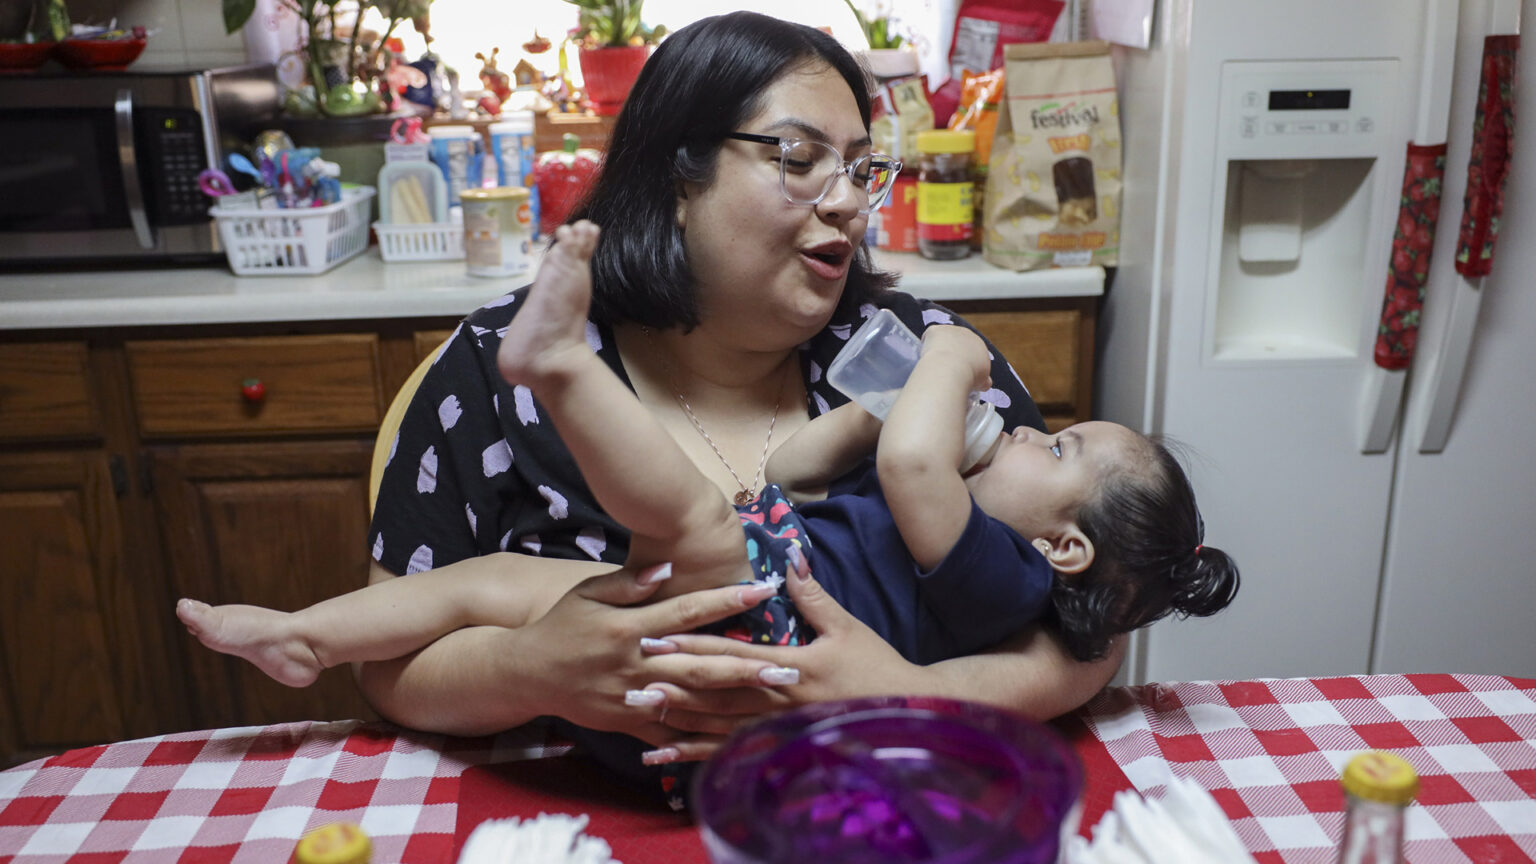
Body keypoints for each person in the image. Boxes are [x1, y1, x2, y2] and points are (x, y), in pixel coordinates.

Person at [223, 11, 1132, 778]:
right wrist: (529, 671)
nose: (851, 202)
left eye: (859, 168)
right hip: (587, 810)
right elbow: (390, 672)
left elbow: (1085, 627)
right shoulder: (498, 373)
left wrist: (909, 694)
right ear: (677, 177)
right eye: (798, 155)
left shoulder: (919, 358)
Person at [178, 219, 1238, 704]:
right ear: (680, 176)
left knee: (691, 524)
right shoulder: (960, 493)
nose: (1019, 425)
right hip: (752, 580)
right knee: (489, 582)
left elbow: (924, 475)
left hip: (763, 621)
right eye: (794, 160)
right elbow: (805, 468)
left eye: (1055, 445)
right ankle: (301, 637)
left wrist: (947, 364)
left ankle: (554, 363)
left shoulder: (997, 569)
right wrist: (868, 419)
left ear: (1062, 547)